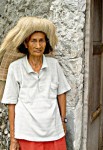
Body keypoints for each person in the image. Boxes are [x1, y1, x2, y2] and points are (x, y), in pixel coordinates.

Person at [1, 16, 71, 150]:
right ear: (26, 44)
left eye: (41, 41)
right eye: (33, 41)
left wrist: (63, 121)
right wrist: (13, 138)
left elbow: (61, 93)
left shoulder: (54, 65)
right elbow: (11, 103)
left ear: (46, 43)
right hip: (27, 133)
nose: (38, 46)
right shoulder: (16, 68)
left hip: (53, 131)